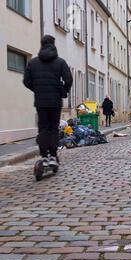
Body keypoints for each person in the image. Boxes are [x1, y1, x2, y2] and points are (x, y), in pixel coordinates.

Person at [23, 35, 73, 168]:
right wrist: (63, 90)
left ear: (42, 44)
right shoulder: (60, 62)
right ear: (53, 45)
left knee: (43, 128)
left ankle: (44, 156)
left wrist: (37, 89)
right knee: (53, 128)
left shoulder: (32, 63)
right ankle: (53, 155)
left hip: (40, 101)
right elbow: (68, 79)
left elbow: (26, 81)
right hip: (55, 101)